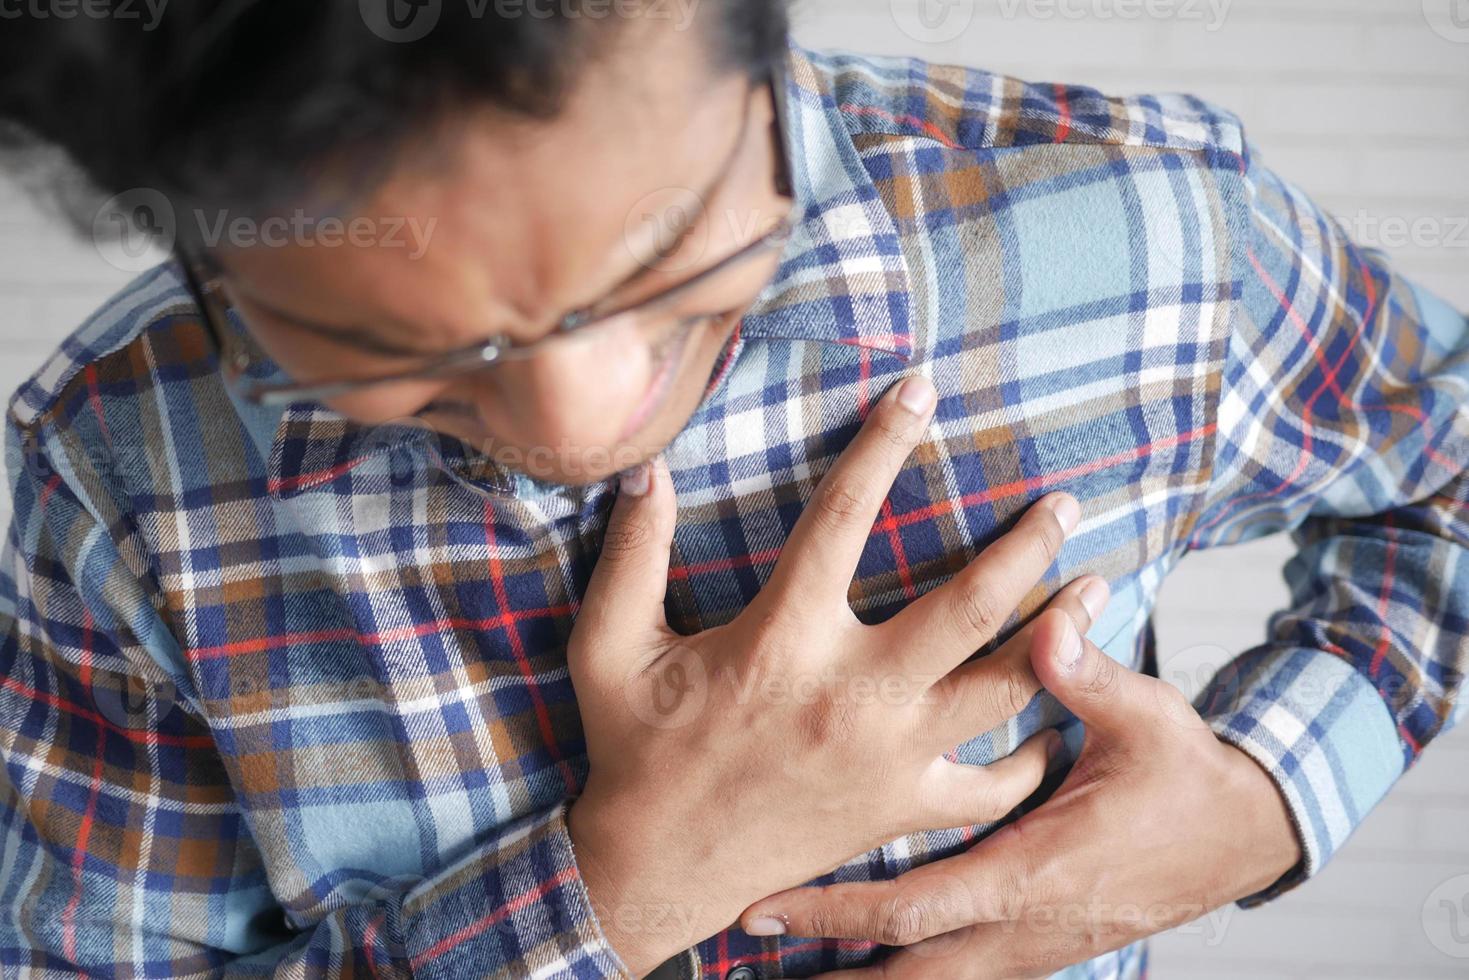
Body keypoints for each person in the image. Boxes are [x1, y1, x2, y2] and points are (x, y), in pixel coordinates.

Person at [0, 3, 1464, 978]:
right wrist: (618, 889)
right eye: (409, 352)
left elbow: (1446, 466)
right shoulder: (115, 485)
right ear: (205, 247)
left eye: (663, 252)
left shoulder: (1130, 224)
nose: (584, 415)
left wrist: (1263, 800)